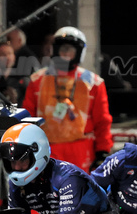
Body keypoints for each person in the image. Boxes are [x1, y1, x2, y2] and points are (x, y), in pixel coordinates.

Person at [22, 26, 113, 171]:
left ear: (78, 53)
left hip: (83, 153)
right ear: (55, 50)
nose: (65, 53)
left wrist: (103, 152)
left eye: (70, 50)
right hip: (47, 150)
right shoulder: (37, 81)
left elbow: (102, 121)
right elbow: (28, 117)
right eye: (62, 49)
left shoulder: (94, 83)